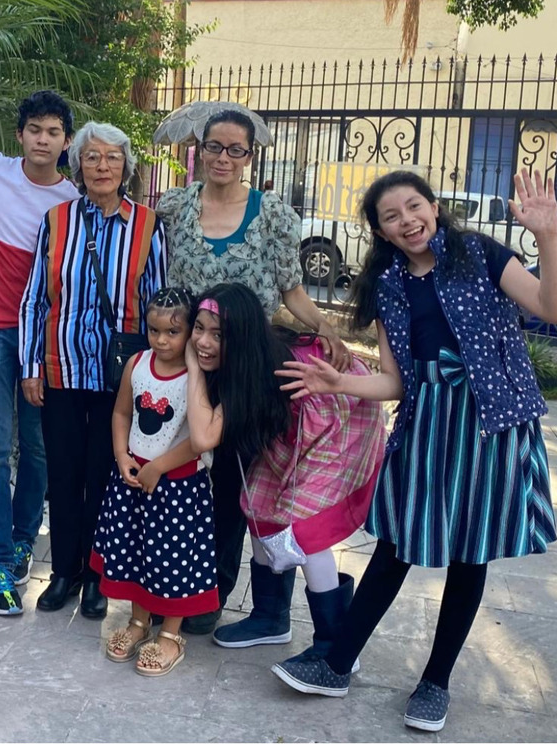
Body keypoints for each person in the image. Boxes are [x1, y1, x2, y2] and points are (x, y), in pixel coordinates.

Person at [272, 169, 557, 733]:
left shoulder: (479, 254)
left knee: (469, 553)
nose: (407, 221)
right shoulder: (389, 285)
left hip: (489, 423)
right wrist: (340, 383)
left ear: (434, 206)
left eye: (413, 206)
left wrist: (547, 236)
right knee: (397, 543)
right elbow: (396, 381)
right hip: (426, 422)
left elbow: (549, 308)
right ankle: (336, 663)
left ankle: (435, 683)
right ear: (381, 231)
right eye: (391, 216)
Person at [155, 107, 351, 635]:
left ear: (249, 155)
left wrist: (326, 326)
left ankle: (220, 596)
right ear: (199, 149)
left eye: (235, 149)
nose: (223, 157)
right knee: (181, 477)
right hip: (190, 359)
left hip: (247, 371)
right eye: (214, 146)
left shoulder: (273, 215)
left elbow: (291, 290)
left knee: (236, 485)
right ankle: (175, 584)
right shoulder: (174, 208)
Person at [184, 282, 384, 664]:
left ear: (240, 337)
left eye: (218, 334)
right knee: (259, 506)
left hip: (337, 422)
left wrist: (193, 366)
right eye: (199, 328)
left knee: (305, 528)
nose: (204, 342)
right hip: (293, 432)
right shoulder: (243, 361)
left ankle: (336, 649)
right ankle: (270, 617)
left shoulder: (254, 372)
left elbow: (203, 437)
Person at [20, 121, 167, 620]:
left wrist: (156, 374)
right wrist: (31, 366)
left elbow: (158, 306)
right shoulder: (57, 219)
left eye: (112, 157)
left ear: (126, 166)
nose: (103, 166)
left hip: (119, 378)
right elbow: (35, 299)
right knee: (62, 474)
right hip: (60, 369)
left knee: (105, 475)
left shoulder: (148, 225)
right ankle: (64, 571)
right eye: (92, 157)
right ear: (78, 166)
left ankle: (98, 578)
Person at [0, 90, 79, 615]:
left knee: (36, 448)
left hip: (43, 339)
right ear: (20, 135)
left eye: (53, 132)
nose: (43, 139)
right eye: (35, 129)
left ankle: (21, 541)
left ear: (66, 141)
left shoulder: (72, 201)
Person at [91, 287, 215, 675]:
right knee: (136, 551)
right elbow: (121, 413)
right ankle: (138, 620)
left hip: (178, 486)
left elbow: (199, 439)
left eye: (173, 332)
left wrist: (159, 466)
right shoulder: (137, 363)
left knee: (173, 559)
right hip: (133, 481)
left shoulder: (196, 377)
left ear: (190, 331)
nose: (161, 340)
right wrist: (122, 456)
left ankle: (171, 634)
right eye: (154, 330)